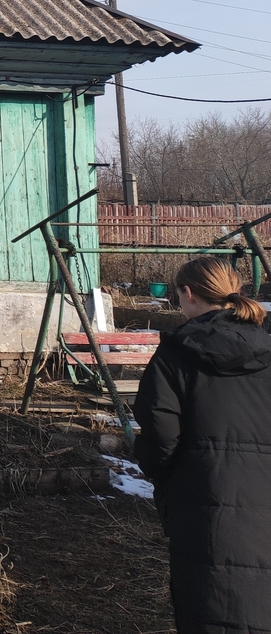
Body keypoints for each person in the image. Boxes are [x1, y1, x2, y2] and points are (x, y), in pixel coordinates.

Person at [134, 257, 271, 633]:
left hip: (205, 499)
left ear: (188, 293)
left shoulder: (176, 354)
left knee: (213, 600)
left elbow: (160, 435)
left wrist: (158, 470)